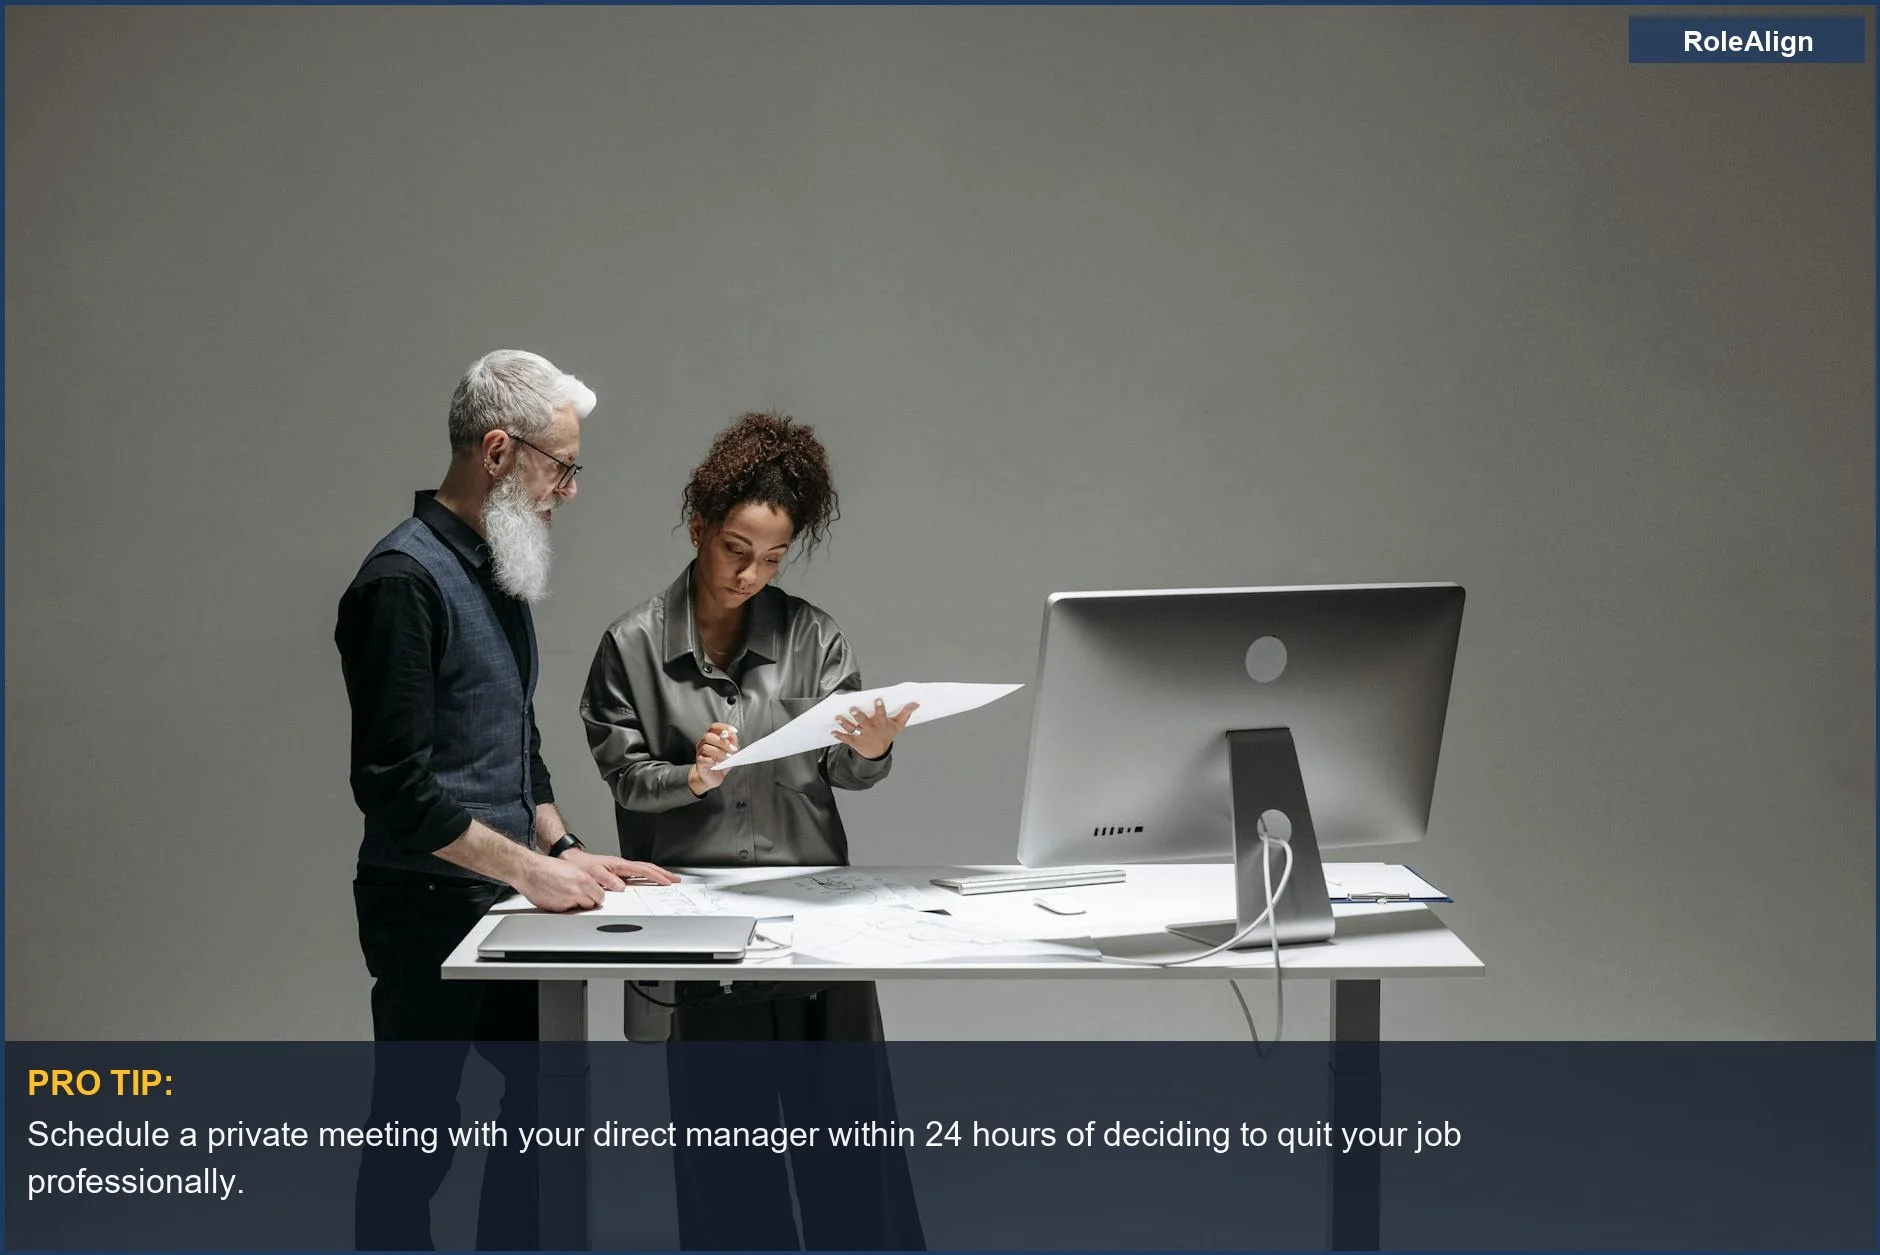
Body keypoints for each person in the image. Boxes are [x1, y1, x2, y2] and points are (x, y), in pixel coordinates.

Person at [335, 349, 677, 1250]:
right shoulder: (398, 582)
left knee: (546, 1106)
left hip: (500, 900)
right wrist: (530, 871)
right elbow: (394, 788)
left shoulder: (496, 565)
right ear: (496, 450)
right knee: (416, 1141)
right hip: (425, 907)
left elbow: (510, 738)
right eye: (561, 465)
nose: (570, 488)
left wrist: (563, 851)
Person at [580, 410, 925, 1249]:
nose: (751, 573)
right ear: (699, 526)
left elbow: (845, 770)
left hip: (817, 929)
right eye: (737, 548)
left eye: (773, 557)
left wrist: (872, 749)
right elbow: (624, 772)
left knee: (856, 1168)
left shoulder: (814, 636)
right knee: (729, 1188)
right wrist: (690, 775)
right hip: (700, 936)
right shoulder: (630, 647)